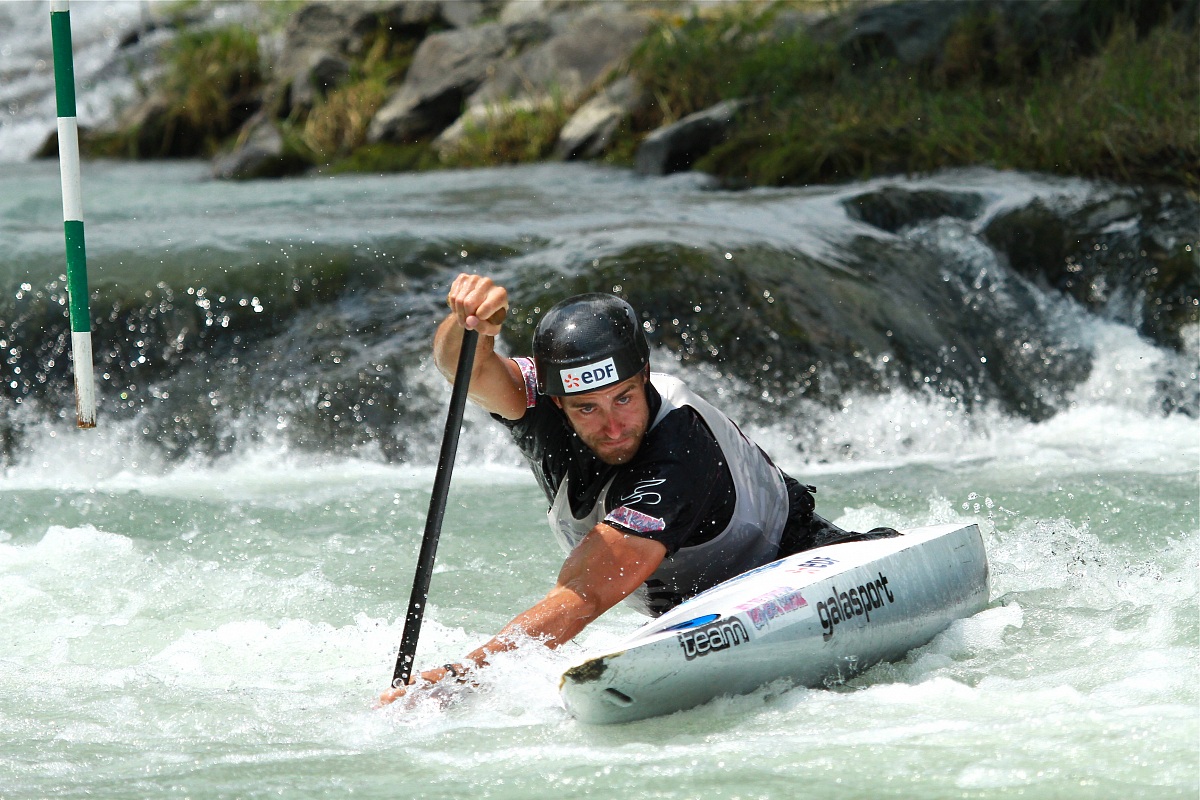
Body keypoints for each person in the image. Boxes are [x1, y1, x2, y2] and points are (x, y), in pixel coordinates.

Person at [379, 273, 893, 705]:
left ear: (643, 374)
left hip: (798, 565)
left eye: (624, 398)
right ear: (557, 402)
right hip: (691, 612)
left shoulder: (679, 447)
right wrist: (470, 325)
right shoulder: (545, 402)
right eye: (587, 408)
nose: (612, 426)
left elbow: (585, 592)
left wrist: (465, 679)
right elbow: (462, 368)